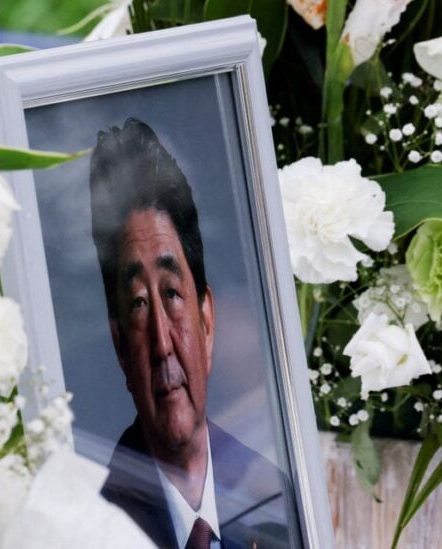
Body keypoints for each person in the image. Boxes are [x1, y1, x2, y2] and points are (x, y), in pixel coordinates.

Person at [89, 118, 292, 548]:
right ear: (120, 346)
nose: (163, 344)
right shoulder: (96, 525)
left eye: (173, 295)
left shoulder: (282, 498)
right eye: (139, 305)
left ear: (207, 319)